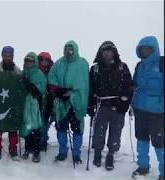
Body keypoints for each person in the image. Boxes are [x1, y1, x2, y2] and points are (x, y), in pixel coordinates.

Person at [88, 41, 133, 170]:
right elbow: (90, 89)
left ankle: (111, 154)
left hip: (118, 106)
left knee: (116, 132)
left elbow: (129, 86)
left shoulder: (122, 67)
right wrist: (90, 105)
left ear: (114, 52)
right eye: (105, 50)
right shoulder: (95, 68)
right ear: (100, 53)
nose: (107, 52)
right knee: (99, 131)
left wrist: (125, 102)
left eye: (110, 50)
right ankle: (97, 152)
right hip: (101, 106)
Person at [48, 40, 89, 165]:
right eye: (66, 49)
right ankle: (62, 151)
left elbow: (84, 84)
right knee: (61, 127)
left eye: (70, 49)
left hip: (76, 102)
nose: (68, 52)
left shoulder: (82, 64)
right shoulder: (58, 64)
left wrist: (73, 93)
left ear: (75, 50)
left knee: (77, 129)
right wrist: (58, 91)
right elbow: (51, 79)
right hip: (61, 102)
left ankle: (76, 153)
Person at [131, 36, 164, 180]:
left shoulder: (162, 63)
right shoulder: (139, 66)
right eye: (142, 49)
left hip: (157, 112)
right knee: (141, 139)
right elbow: (134, 85)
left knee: (160, 143)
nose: (145, 51)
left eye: (148, 48)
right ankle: (143, 167)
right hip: (140, 109)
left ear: (154, 49)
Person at [0, 46, 21, 161]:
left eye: (10, 56)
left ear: (13, 56)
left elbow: (20, 87)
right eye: (5, 55)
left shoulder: (17, 70)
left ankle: (13, 149)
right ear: (2, 55)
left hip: (12, 104)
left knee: (13, 127)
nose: (7, 58)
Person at [20, 52, 47, 163]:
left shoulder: (39, 74)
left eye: (30, 61)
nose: (28, 63)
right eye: (26, 61)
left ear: (35, 62)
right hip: (24, 104)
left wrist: (29, 85)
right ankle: (27, 148)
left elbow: (39, 91)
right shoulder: (23, 73)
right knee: (27, 126)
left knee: (35, 128)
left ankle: (36, 151)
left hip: (35, 105)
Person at [37, 52, 54, 151]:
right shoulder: (34, 71)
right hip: (37, 100)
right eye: (42, 60)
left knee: (44, 122)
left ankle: (42, 141)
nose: (44, 62)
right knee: (38, 122)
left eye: (46, 60)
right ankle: (39, 140)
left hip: (48, 101)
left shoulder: (52, 72)